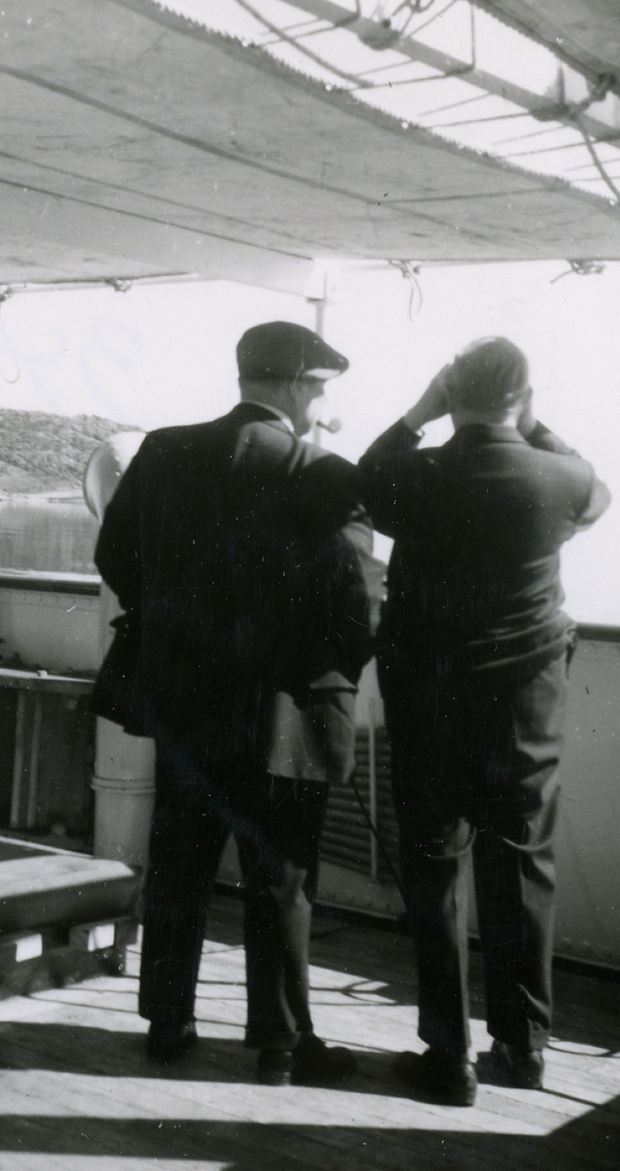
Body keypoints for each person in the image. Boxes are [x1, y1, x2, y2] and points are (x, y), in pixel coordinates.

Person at [95, 321, 376, 1085]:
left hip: (186, 703)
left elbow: (115, 556)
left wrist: (178, 629)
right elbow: (358, 606)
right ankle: (280, 1046)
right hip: (285, 716)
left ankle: (167, 1022)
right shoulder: (326, 472)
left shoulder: (164, 450)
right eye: (320, 387)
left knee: (181, 861)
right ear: (294, 384)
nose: (322, 403)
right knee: (280, 877)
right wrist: (322, 670)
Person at [359, 337, 610, 1107]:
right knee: (522, 864)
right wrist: (533, 426)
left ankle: (448, 1056)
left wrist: (418, 413)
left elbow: (366, 477)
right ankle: (523, 1047)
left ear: (450, 393)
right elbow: (597, 491)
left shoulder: (415, 474)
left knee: (435, 866)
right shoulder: (561, 478)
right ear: (522, 397)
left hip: (431, 704)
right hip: (524, 710)